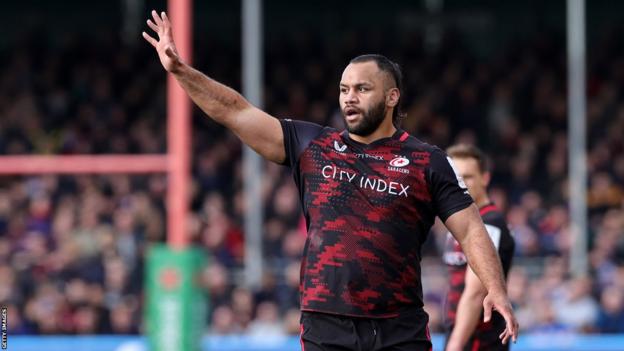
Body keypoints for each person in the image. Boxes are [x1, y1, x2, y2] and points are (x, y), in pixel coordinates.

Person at [143, 10, 518, 350]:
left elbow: (470, 228)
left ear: (391, 97)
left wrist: (497, 290)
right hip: (327, 327)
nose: (349, 98)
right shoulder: (313, 145)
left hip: (399, 328)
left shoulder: (427, 161)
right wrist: (181, 71)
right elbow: (234, 111)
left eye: (361, 89)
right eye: (343, 89)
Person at [443, 144, 515, 351]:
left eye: (468, 177)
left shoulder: (489, 224)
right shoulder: (462, 221)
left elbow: (475, 293)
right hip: (463, 333)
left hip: (478, 340)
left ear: (485, 178)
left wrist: (455, 345)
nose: (461, 184)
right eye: (456, 178)